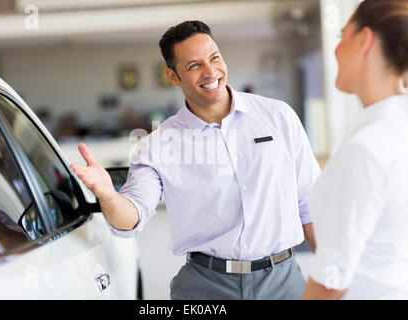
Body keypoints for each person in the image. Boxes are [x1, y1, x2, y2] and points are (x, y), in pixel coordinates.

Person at [70, 20, 320, 300]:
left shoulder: (278, 117)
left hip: (283, 282)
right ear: (173, 77)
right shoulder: (157, 146)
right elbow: (131, 218)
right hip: (206, 287)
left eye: (214, 58)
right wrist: (108, 196)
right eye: (194, 66)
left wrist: (334, 275)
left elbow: (309, 204)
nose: (210, 71)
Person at [302, 0, 408, 300]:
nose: (336, 49)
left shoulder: (368, 147)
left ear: (364, 41)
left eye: (342, 36)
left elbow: (332, 278)